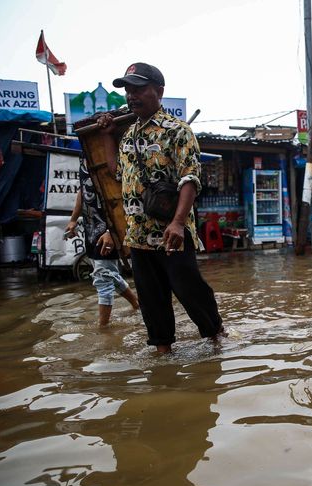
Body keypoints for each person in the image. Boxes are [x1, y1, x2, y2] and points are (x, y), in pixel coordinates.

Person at [97, 62, 224, 354]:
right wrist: (107, 135)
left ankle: (217, 339)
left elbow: (190, 178)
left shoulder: (177, 131)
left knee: (190, 292)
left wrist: (179, 222)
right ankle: (163, 354)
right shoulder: (128, 135)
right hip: (138, 236)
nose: (131, 95)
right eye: (128, 90)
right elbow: (118, 174)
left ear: (159, 91)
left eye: (139, 88)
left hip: (171, 234)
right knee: (151, 300)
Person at [65, 159, 139, 326]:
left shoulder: (104, 156)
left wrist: (110, 231)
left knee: (102, 277)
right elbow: (83, 190)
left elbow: (121, 195)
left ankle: (103, 327)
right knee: (106, 273)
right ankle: (136, 304)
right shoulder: (85, 157)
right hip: (91, 229)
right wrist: (73, 219)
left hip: (109, 229)